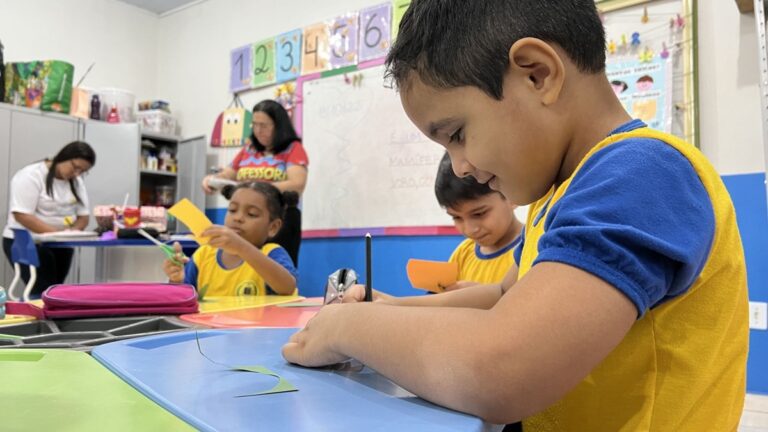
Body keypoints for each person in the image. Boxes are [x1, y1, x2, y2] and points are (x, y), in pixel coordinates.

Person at [282, 1, 748, 430]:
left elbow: (503, 369)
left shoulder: (641, 174)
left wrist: (350, 328)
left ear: (537, 74)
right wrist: (392, 309)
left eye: (457, 134)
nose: (460, 166)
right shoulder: (560, 195)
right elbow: (505, 294)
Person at [202, 99, 308, 266]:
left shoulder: (292, 148)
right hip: (246, 218)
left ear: (278, 126)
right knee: (242, 265)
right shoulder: (249, 149)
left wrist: (257, 189)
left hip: (280, 219)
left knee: (275, 267)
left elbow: (297, 183)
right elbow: (228, 175)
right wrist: (212, 180)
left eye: (264, 125)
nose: (258, 131)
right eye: (255, 125)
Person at [164, 182, 297, 297]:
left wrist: (241, 247)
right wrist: (177, 281)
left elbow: (287, 287)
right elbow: (186, 300)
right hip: (209, 326)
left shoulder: (271, 253)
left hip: (257, 327)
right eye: (233, 210)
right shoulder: (203, 256)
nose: (238, 218)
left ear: (273, 227)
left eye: (251, 214)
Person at [2, 141, 96, 297]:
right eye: (75, 167)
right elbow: (22, 215)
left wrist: (72, 232)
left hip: (59, 243)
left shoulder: (76, 182)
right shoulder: (31, 175)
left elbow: (83, 217)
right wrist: (57, 234)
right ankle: (41, 318)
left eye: (83, 171)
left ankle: (51, 318)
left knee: (55, 292)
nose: (77, 174)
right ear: (63, 157)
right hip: (25, 240)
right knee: (42, 290)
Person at [435, 152, 523, 290]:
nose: (470, 229)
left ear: (511, 197)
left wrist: (480, 297)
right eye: (456, 217)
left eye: (479, 214)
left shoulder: (534, 248)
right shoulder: (463, 254)